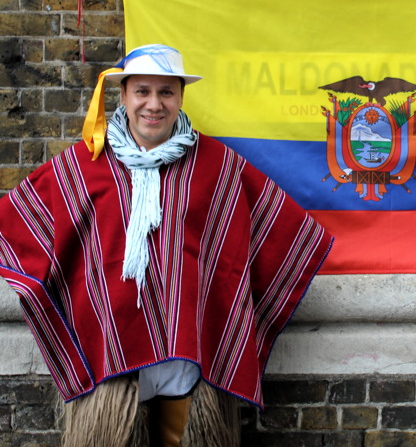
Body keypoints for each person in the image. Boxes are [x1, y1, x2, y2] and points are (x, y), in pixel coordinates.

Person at [0, 44, 333, 447]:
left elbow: (274, 231)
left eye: (166, 92)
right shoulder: (83, 166)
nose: (153, 104)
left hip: (188, 352)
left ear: (181, 97)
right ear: (122, 95)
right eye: (142, 91)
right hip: (110, 351)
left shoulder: (217, 165)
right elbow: (18, 224)